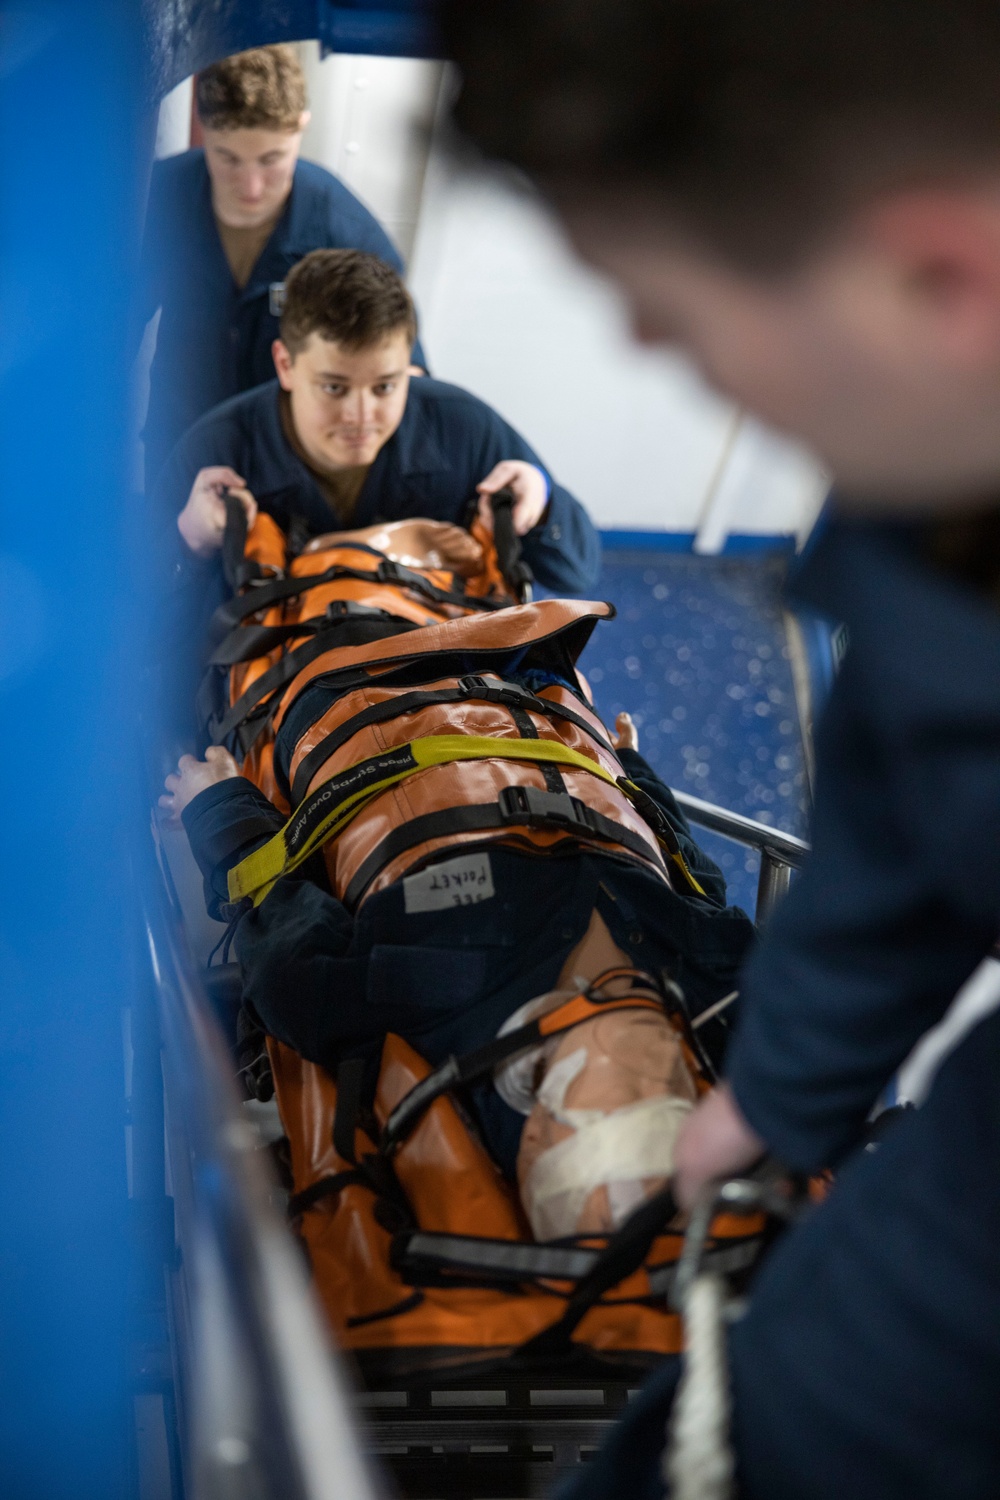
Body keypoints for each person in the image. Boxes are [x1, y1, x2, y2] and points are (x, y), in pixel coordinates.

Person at [442, 1, 1000, 1496]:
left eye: (676, 323)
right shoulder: (939, 504)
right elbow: (897, 815)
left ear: (945, 280)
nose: (643, 351)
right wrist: (783, 1093)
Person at [160, 516, 753, 1200]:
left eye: (610, 1092)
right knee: (458, 580)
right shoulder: (717, 985)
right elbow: (698, 880)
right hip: (524, 696)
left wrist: (219, 805)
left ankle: (313, 554)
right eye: (663, 1087)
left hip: (345, 686)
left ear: (535, 1097)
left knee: (332, 590)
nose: (639, 1062)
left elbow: (285, 933)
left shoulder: (419, 991)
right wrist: (631, 768)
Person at [156, 248, 600, 604]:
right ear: (285, 365)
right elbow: (131, 620)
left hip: (435, 687)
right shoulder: (217, 452)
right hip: (278, 693)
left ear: (408, 366)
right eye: (334, 387)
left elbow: (577, 571)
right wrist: (187, 541)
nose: (362, 416)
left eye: (385, 387)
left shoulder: (463, 428)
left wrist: (541, 505)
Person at [140, 44, 427, 484]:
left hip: (286, 465)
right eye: (227, 158)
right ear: (203, 130)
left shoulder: (342, 229)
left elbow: (404, 369)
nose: (250, 187)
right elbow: (103, 330)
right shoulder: (160, 201)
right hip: (176, 447)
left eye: (271, 160)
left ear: (300, 130)